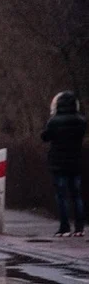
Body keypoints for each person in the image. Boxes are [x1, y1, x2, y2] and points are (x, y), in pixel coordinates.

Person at [42, 91, 87, 237]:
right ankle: (80, 227)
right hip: (76, 162)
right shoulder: (81, 120)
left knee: (62, 196)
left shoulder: (54, 122)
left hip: (59, 162)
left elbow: (46, 136)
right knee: (77, 195)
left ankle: (65, 227)